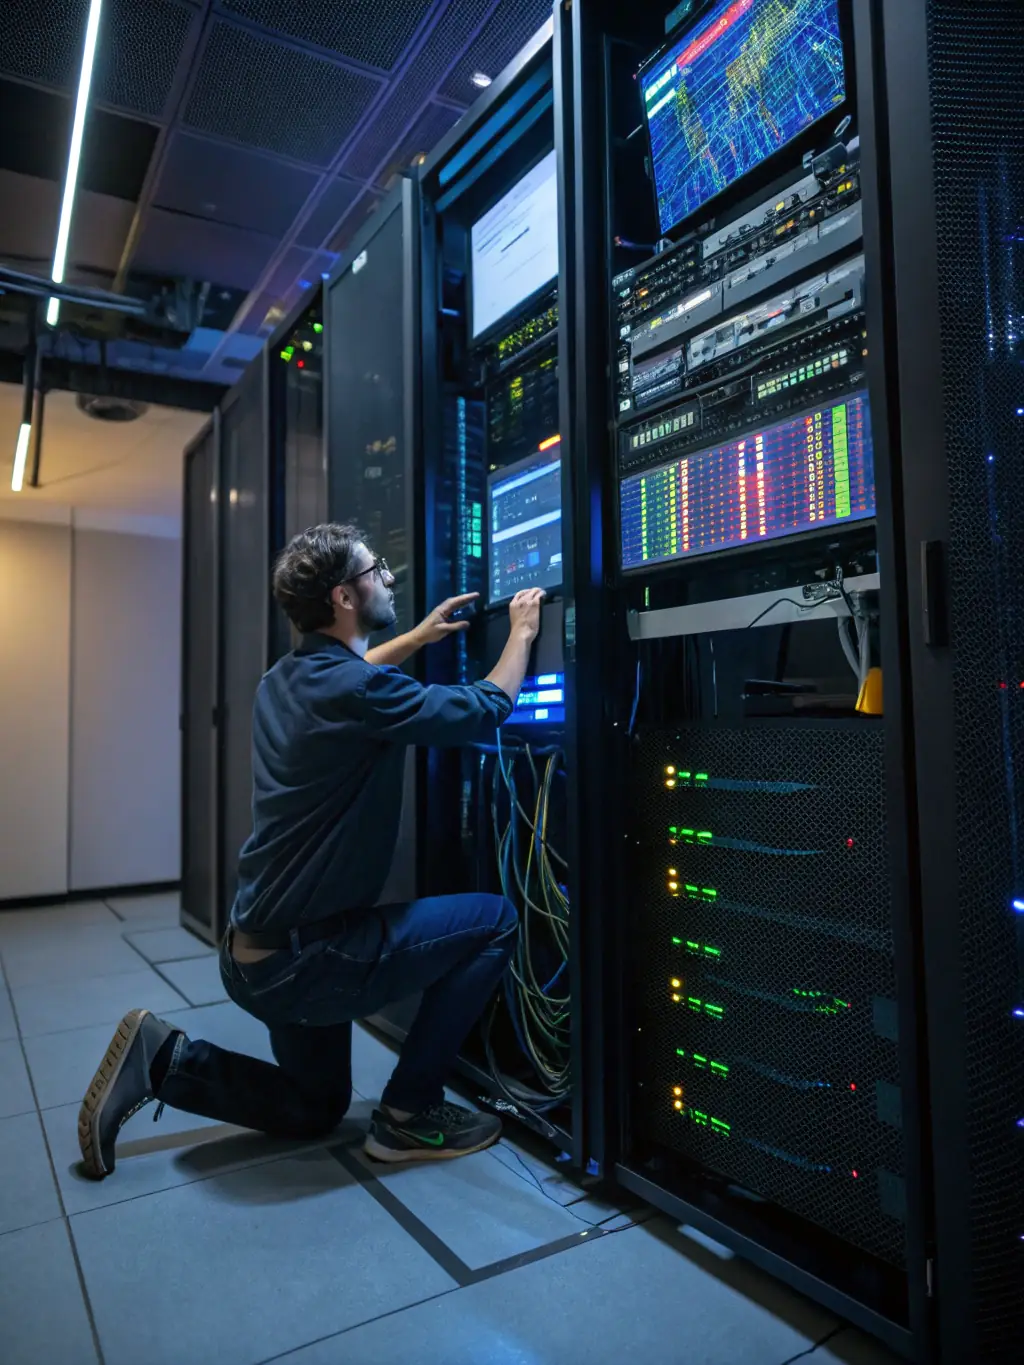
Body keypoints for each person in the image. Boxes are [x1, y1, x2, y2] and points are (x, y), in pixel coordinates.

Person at [78, 523, 545, 1180]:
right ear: (343, 597)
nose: (388, 576)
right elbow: (483, 707)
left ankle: (165, 1060)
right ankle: (410, 1114)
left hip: (253, 954)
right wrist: (523, 629)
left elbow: (353, 680)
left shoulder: (284, 679)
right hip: (309, 960)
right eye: (375, 568)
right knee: (494, 920)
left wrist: (414, 638)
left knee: (316, 1105)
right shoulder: (356, 693)